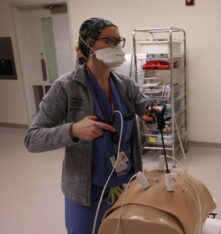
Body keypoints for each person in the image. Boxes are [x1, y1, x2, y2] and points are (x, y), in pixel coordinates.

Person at [24, 17, 156, 234]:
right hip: (87, 192)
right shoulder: (66, 87)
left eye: (118, 41)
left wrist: (152, 112)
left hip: (126, 184)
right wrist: (73, 130)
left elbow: (144, 106)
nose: (117, 47)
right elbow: (32, 139)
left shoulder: (125, 85)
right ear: (88, 44)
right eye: (109, 41)